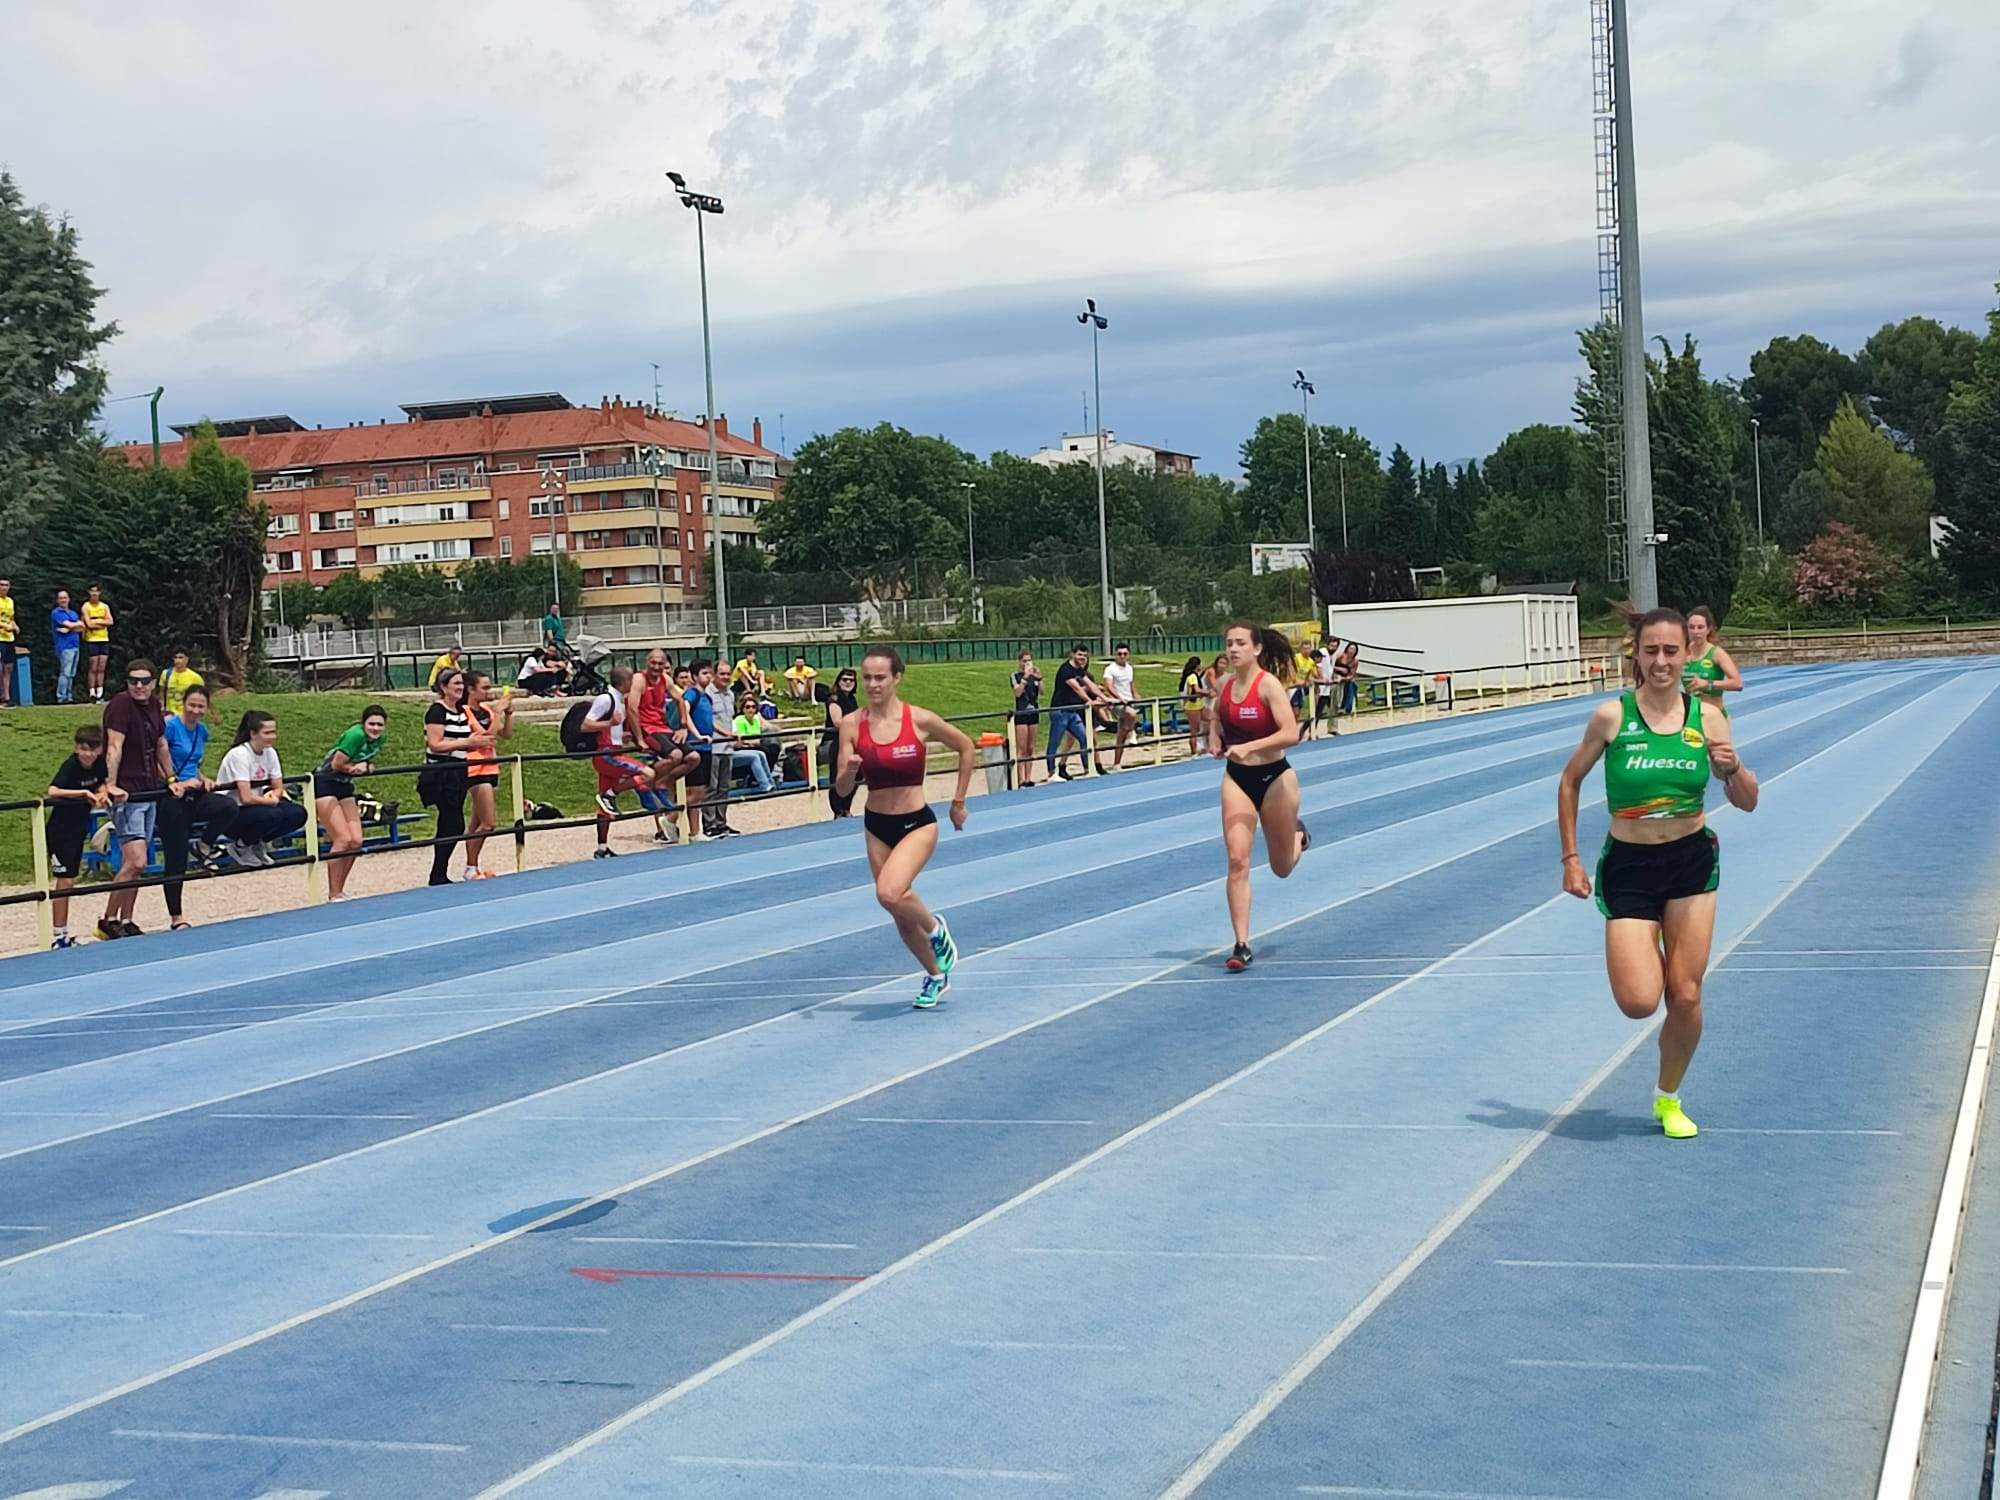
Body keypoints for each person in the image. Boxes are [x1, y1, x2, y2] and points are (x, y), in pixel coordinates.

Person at [1558, 607, 1759, 1140]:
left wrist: (1731, 768)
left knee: (1686, 996)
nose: (1663, 661)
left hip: (1690, 862)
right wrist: (1571, 858)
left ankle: (1668, 1097)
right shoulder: (1610, 717)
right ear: (1638, 656)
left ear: (1685, 653)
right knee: (1639, 1001)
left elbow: (1748, 802)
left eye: (1672, 650)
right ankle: (1660, 950)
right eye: (1652, 651)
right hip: (1628, 867)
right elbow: (1569, 782)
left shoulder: (1709, 719)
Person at [833, 645, 977, 1009]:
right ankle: (935, 974)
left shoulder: (919, 719)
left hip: (917, 822)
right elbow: (840, 791)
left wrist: (957, 801)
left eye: (880, 677)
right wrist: (850, 770)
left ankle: (935, 929)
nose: (872, 684)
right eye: (867, 677)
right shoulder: (851, 724)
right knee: (897, 911)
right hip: (877, 824)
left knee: (890, 892)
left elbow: (966, 747)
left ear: (897, 677)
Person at [1212, 622, 1311, 972]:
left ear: (1256, 649)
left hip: (1275, 779)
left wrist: (1249, 746)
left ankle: (1299, 837)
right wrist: (1213, 738)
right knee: (1237, 859)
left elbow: (1290, 733)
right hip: (1237, 779)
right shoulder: (1224, 684)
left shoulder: (1268, 685)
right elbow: (1216, 713)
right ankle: (1241, 944)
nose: (1233, 649)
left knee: (1281, 867)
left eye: (1240, 643)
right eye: (1229, 643)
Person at [100, 657, 173, 937]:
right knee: (137, 860)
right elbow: (114, 747)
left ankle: (127, 919)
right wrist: (110, 783)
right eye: (133, 681)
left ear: (153, 683)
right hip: (127, 794)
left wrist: (171, 778)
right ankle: (107, 919)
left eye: (144, 681)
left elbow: (160, 744)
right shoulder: (120, 706)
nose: (139, 686)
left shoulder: (154, 706)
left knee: (136, 866)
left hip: (148, 789)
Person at [159, 684, 236, 929]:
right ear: (184, 703)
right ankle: (176, 915)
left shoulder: (201, 731)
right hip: (173, 793)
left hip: (195, 789)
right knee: (176, 855)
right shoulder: (170, 727)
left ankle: (204, 844)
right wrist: (173, 781)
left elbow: (194, 762)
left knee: (227, 806)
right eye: (192, 705)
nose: (196, 710)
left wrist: (203, 780)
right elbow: (157, 757)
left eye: (200, 706)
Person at [45, 725, 121, 947]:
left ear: (99, 750)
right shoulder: (71, 765)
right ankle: (59, 936)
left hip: (78, 828)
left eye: (91, 749)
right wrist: (83, 793)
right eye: (82, 748)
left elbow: (104, 782)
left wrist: (101, 792)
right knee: (65, 880)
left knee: (71, 879)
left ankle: (63, 935)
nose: (87, 754)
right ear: (76, 748)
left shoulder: (99, 764)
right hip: (60, 830)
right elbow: (53, 790)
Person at [584, 663, 665, 858]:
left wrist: (622, 735)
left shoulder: (618, 700)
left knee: (604, 808)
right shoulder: (606, 699)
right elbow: (586, 725)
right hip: (607, 755)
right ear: (626, 681)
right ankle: (611, 794)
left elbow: (609, 729)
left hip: (613, 750)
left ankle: (602, 847)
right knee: (648, 773)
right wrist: (610, 723)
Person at [421, 668, 491, 885]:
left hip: (460, 769)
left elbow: (480, 733)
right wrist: (467, 743)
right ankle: (438, 872)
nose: (460, 688)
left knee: (450, 822)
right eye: (456, 684)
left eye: (462, 684)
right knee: (452, 821)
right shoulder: (437, 711)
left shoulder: (461, 710)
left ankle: (439, 872)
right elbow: (435, 743)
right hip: (442, 771)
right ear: (443, 687)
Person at [315, 704, 388, 901]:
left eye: (379, 725)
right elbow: (337, 764)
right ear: (363, 723)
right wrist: (354, 768)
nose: (375, 728)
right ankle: (332, 892)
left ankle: (340, 889)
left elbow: (367, 760)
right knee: (342, 839)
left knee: (356, 841)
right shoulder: (354, 735)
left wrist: (368, 766)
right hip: (325, 784)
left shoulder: (380, 739)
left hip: (344, 786)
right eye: (371, 724)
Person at [216, 710, 308, 866]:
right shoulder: (239, 755)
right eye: (267, 732)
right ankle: (241, 846)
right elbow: (245, 797)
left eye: (274, 732)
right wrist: (269, 802)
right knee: (273, 814)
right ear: (253, 734)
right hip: (234, 811)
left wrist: (274, 795)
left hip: (258, 806)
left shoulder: (270, 753)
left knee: (298, 813)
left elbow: (278, 786)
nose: (273, 736)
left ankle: (256, 841)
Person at [630, 649, 696, 840]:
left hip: (662, 726)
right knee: (675, 756)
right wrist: (639, 738)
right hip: (647, 728)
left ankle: (658, 780)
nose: (657, 667)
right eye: (654, 663)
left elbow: (680, 699)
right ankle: (645, 780)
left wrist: (683, 726)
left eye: (661, 663)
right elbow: (632, 709)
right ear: (647, 662)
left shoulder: (665, 679)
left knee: (693, 757)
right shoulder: (638, 680)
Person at [461, 672, 513, 879]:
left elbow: (505, 734)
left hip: (491, 768)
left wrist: (507, 714)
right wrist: (498, 711)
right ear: (471, 689)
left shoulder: (486, 710)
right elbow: (487, 736)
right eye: (484, 688)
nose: (488, 692)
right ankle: (470, 866)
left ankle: (472, 866)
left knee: (476, 822)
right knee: (488, 823)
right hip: (475, 769)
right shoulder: (464, 712)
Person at [1046, 643, 1104, 781]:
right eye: (1079, 654)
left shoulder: (1079, 670)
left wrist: (1105, 697)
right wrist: (1088, 701)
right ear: (1073, 654)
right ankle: (1051, 773)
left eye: (1084, 655)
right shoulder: (1066, 669)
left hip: (1073, 712)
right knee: (1055, 741)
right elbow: (1077, 688)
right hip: (1060, 711)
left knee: (1085, 739)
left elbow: (1091, 685)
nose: (1082, 657)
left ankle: (1087, 769)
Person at [1683, 605, 1743, 715]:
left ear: (1708, 629)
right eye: (1691, 627)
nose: (1695, 632)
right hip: (1691, 716)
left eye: (1700, 627)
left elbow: (1737, 684)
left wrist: (1707, 684)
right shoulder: (1682, 653)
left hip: (1714, 716)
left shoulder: (1717, 653)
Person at [704, 665, 739, 837]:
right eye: (722, 673)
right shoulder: (707, 694)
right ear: (714, 675)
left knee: (724, 787)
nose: (725, 677)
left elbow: (729, 719)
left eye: (728, 674)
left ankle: (721, 822)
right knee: (711, 786)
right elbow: (708, 720)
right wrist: (725, 734)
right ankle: (709, 823)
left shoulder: (730, 695)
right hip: (714, 746)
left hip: (727, 747)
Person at [822, 665, 860, 817]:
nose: (848, 682)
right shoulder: (834, 699)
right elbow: (838, 722)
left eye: (851, 680)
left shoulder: (852, 699)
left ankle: (846, 807)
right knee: (837, 775)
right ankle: (837, 810)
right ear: (838, 681)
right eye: (845, 679)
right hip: (834, 742)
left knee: (857, 774)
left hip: (851, 742)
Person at [1100, 642, 1142, 769]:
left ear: (1128, 655)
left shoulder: (1129, 668)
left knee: (1120, 735)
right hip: (1116, 703)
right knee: (1132, 714)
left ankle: (1117, 763)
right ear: (1115, 655)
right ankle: (1132, 732)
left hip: (1128, 701)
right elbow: (1108, 685)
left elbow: (1131, 684)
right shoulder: (1110, 669)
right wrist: (1118, 698)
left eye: (1125, 654)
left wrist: (1136, 695)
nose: (1122, 656)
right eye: (1119, 654)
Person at [730, 688, 778, 795]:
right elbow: (742, 740)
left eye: (753, 707)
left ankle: (770, 783)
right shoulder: (739, 720)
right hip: (742, 746)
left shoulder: (756, 719)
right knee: (760, 753)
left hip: (753, 745)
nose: (750, 709)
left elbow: (770, 729)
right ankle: (764, 785)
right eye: (747, 707)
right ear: (743, 709)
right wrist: (752, 742)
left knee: (770, 749)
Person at [1010, 650, 1043, 788]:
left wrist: (1039, 678)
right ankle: (1020, 778)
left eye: (1029, 660)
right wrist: (1025, 677)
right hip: (1021, 713)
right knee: (1021, 747)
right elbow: (1017, 693)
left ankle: (1028, 777)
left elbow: (1042, 692)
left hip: (1033, 712)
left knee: (1030, 747)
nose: (1027, 663)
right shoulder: (1015, 676)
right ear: (1019, 662)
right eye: (1024, 661)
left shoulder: (1034, 676)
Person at [81, 584, 113, 702]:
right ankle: (92, 692)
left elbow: (110, 621)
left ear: (100, 593)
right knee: (93, 667)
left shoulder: (104, 607)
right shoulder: (86, 606)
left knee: (102, 667)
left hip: (104, 639)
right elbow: (88, 624)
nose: (94, 594)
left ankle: (100, 692)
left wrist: (97, 622)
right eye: (92, 591)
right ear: (89, 593)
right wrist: (102, 622)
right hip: (92, 640)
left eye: (96, 591)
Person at [50, 588, 82, 704]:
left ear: (69, 599)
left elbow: (81, 627)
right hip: (64, 646)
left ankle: (69, 696)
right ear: (57, 600)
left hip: (75, 645)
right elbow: (69, 624)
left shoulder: (73, 613)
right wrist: (73, 626)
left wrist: (69, 628)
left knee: (72, 673)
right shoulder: (56, 613)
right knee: (65, 672)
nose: (63, 600)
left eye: (65, 598)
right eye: (61, 598)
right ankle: (61, 697)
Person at [1179, 654, 1208, 757]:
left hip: (1198, 704)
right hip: (1192, 705)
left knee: (1213, 718)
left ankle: (1207, 745)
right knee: (1194, 730)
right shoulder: (1192, 676)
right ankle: (1194, 752)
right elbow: (1197, 689)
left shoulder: (1193, 675)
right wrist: (1207, 692)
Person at [162, 648, 204, 717]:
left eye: (181, 657)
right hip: (169, 715)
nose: (178, 660)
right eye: (175, 658)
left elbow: (203, 697)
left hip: (186, 715)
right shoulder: (166, 674)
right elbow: (162, 692)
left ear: (187, 659)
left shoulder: (195, 677)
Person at [0, 575, 15, 708]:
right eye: (1, 585)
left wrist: (15, 626)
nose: (4, 587)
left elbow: (11, 618)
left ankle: (6, 697)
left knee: (8, 668)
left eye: (6, 585)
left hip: (9, 638)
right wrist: (4, 626)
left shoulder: (10, 601)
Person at [1335, 639, 1360, 717]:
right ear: (1347, 648)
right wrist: (1340, 669)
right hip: (1335, 674)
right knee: (1339, 685)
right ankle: (1341, 706)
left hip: (1346, 678)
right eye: (1351, 648)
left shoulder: (1355, 661)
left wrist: (1344, 678)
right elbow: (1331, 666)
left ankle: (1347, 707)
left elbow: (1352, 674)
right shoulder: (1340, 655)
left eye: (1354, 650)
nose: (1352, 651)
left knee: (1352, 685)